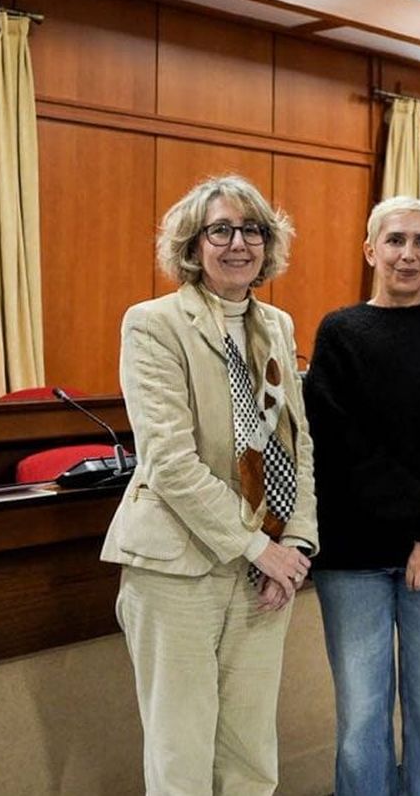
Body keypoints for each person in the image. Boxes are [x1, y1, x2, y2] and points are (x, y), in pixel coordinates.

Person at [101, 173, 318, 795]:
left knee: (250, 751)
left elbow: (294, 441)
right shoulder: (153, 323)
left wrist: (295, 547)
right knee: (182, 750)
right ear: (194, 246)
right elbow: (170, 460)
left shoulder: (276, 324)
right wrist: (260, 548)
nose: (237, 243)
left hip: (265, 568)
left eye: (252, 230)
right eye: (219, 230)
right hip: (179, 566)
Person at [303, 196, 420, 796]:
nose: (407, 254)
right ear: (370, 251)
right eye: (394, 241)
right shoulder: (340, 332)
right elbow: (340, 448)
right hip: (353, 557)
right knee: (362, 721)